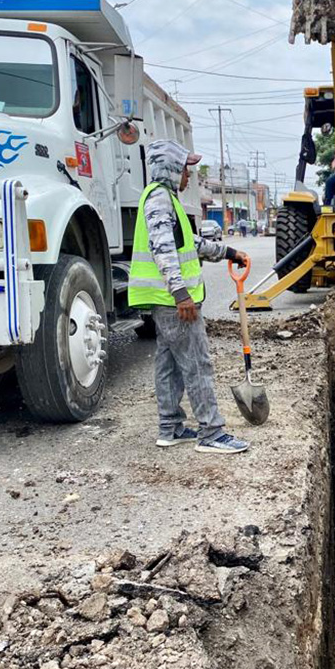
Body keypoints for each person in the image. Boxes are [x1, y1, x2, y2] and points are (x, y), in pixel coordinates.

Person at [128, 139, 250, 454]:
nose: (187, 176)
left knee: (168, 364)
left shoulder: (164, 198)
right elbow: (163, 249)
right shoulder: (159, 200)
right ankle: (211, 432)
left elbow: (190, 243)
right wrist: (182, 295)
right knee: (198, 364)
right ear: (169, 169)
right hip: (174, 303)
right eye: (184, 169)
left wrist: (228, 252)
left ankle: (170, 427)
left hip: (165, 301)